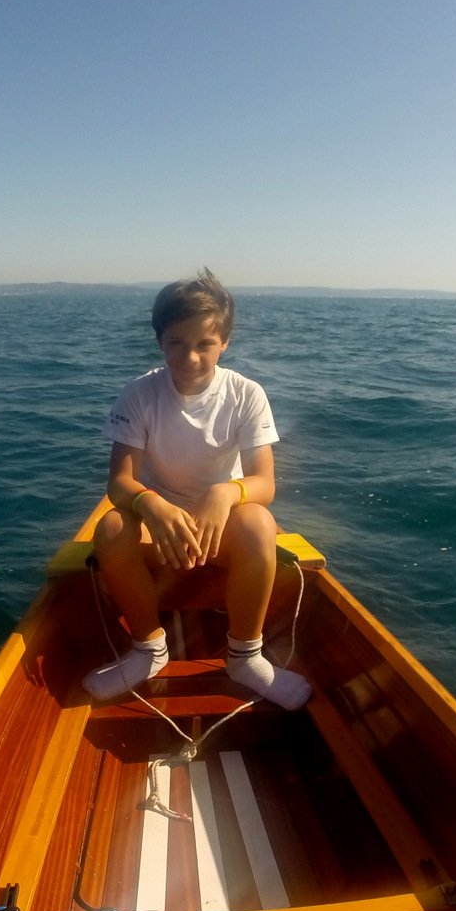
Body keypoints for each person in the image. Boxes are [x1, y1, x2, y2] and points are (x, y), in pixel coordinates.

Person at [81, 269, 312, 711]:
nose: (190, 357)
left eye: (204, 343)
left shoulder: (246, 394)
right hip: (160, 532)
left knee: (258, 523)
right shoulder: (139, 395)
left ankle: (246, 657)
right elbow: (120, 482)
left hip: (218, 532)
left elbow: (264, 483)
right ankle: (148, 649)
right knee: (112, 529)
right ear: (159, 342)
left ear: (224, 342)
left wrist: (224, 494)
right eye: (176, 343)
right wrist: (151, 505)